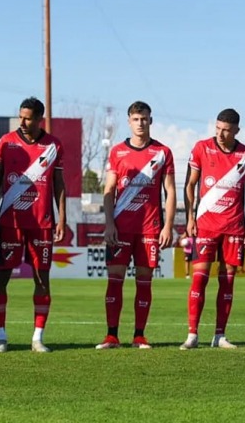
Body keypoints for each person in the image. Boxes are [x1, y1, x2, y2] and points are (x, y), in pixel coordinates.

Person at [95, 101, 176, 350]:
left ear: (150, 121)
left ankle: (139, 335)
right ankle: (111, 336)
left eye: (144, 119)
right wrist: (109, 223)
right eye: (136, 119)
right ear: (129, 121)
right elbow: (108, 190)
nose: (140, 123)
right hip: (120, 227)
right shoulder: (117, 152)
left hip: (149, 228)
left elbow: (170, 191)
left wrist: (168, 226)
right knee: (115, 279)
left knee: (144, 280)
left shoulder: (163, 152)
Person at [0, 97, 66, 353]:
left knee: (42, 278)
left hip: (41, 222)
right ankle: (0, 337)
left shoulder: (53, 145)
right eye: (20, 116)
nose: (22, 121)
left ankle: (37, 338)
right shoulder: (6, 142)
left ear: (39, 118)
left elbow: (59, 184)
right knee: (1, 277)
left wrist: (62, 217)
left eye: (28, 117)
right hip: (10, 221)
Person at [181, 108, 245, 350]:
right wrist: (190, 218)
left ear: (236, 130)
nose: (221, 134)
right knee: (199, 280)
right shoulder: (201, 148)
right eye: (217, 128)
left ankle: (219, 335)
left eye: (226, 130)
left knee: (228, 282)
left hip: (234, 228)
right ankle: (192, 334)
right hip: (205, 225)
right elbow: (190, 184)